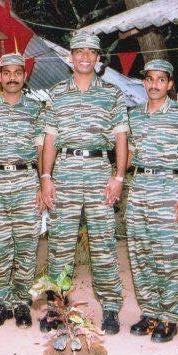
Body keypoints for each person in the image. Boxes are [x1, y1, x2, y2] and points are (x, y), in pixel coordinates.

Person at [40, 31, 127, 335]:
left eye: (91, 52)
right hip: (64, 173)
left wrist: (119, 177)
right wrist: (46, 176)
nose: (85, 57)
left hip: (99, 173)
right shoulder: (57, 93)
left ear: (98, 59)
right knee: (60, 245)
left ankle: (111, 307)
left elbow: (121, 138)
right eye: (80, 51)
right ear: (71, 57)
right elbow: (50, 139)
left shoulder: (112, 94)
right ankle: (56, 307)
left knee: (103, 245)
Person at [126, 59, 178, 342]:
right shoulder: (134, 116)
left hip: (170, 189)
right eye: (150, 79)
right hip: (139, 189)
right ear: (144, 82)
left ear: (169, 84)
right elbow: (128, 154)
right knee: (140, 254)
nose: (154, 84)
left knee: (169, 256)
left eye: (161, 79)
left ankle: (169, 317)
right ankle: (150, 313)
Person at [0, 53, 45, 328]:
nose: (12, 77)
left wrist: (43, 183)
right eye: (7, 73)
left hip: (27, 182)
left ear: (24, 76)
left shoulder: (36, 109)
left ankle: (22, 303)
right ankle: (1, 303)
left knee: (27, 246)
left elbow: (41, 149)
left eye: (17, 72)